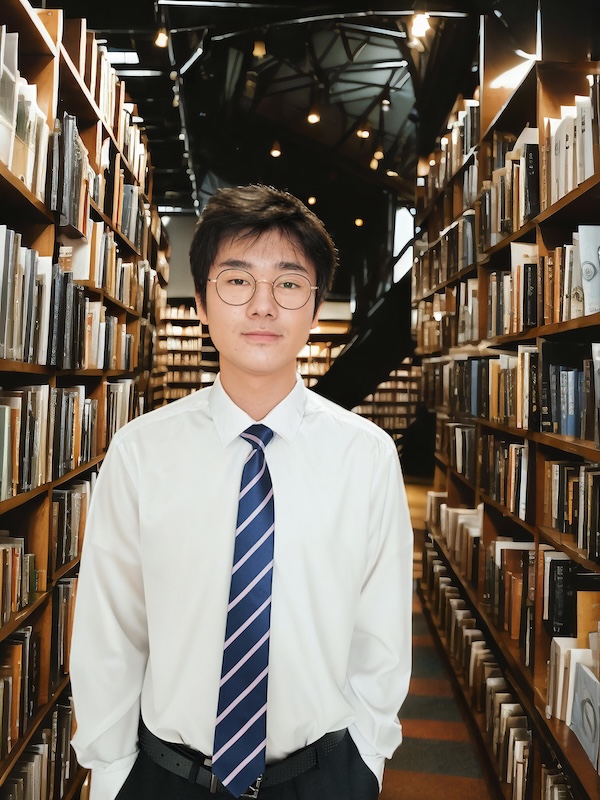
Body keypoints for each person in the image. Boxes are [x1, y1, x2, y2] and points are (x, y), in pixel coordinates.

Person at [70, 184, 413, 800]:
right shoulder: (141, 451)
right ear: (201, 302)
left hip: (322, 776)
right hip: (163, 775)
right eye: (236, 281)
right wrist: (113, 774)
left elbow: (380, 633)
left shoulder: (365, 455)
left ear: (314, 306)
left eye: (288, 283)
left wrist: (366, 763)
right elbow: (111, 628)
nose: (262, 306)